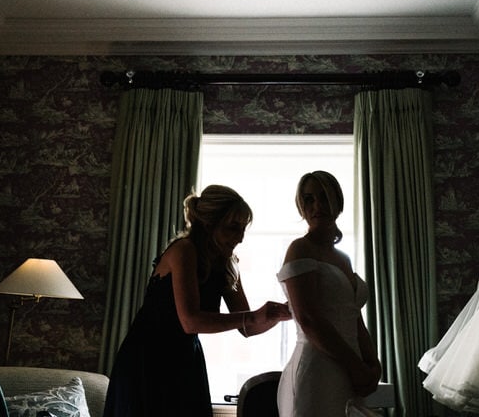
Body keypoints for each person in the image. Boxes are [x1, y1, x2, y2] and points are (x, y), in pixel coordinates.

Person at [103, 184, 291, 417]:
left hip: (185, 360)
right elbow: (190, 321)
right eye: (233, 228)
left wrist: (283, 313)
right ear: (209, 223)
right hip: (148, 360)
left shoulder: (228, 264)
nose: (240, 238)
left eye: (243, 229)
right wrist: (252, 316)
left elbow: (247, 327)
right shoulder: (184, 250)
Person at [276, 170, 382, 417]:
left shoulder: (343, 258)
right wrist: (356, 367)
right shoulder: (299, 249)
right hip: (318, 366)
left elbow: (354, 317)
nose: (317, 205)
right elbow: (309, 319)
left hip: (349, 368)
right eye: (309, 199)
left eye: (324, 197)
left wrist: (373, 364)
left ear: (338, 201)